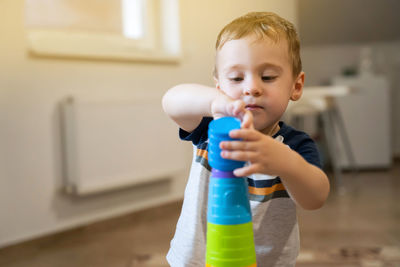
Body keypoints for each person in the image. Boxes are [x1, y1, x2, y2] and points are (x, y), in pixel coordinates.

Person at [162, 12, 330, 267]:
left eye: (268, 77)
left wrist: (286, 163)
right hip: (196, 261)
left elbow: (316, 198)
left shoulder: (294, 145)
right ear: (219, 87)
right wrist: (214, 102)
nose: (251, 88)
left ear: (296, 86)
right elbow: (171, 101)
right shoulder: (211, 128)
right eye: (237, 78)